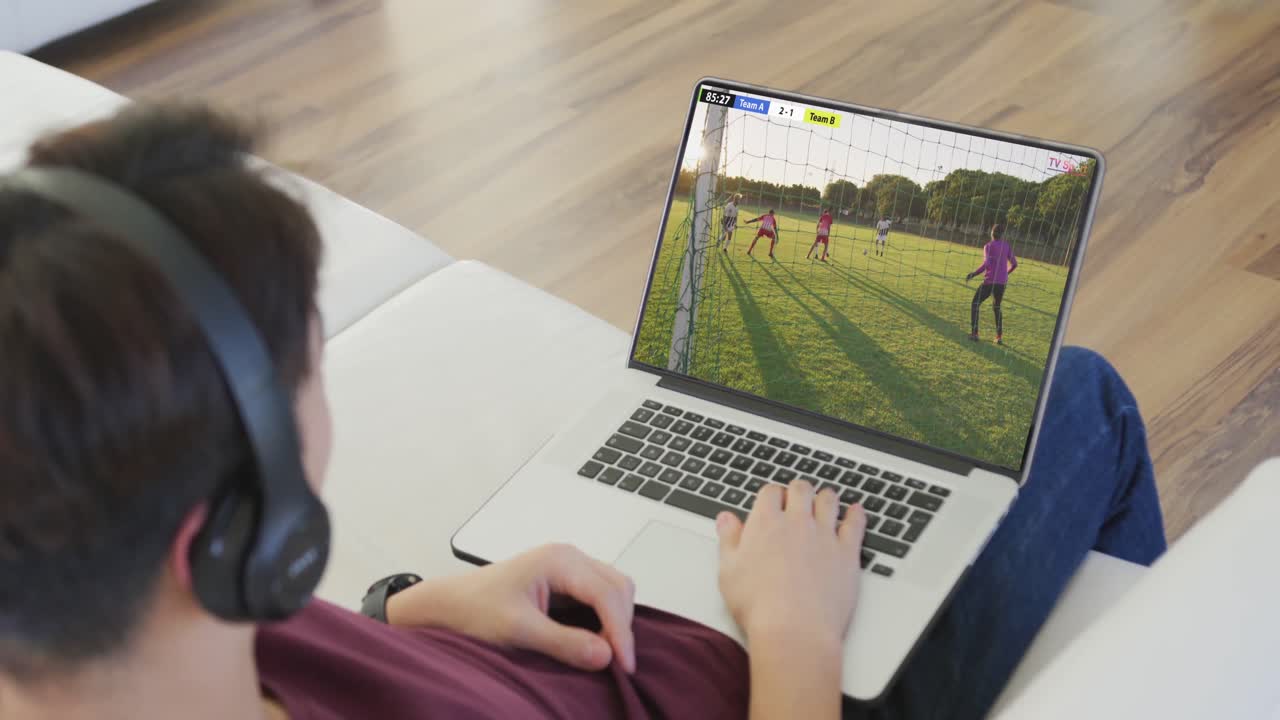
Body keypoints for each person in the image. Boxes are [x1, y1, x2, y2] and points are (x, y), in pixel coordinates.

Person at [0, 105, 1166, 720]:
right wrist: (798, 635)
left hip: (611, 630)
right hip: (787, 673)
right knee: (1086, 401)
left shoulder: (119, 623)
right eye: (306, 370)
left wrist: (413, 611)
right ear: (234, 538)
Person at [966, 223, 1018, 344]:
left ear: (991, 233)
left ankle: (975, 334)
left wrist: (973, 274)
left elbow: (987, 264)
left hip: (989, 282)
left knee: (975, 303)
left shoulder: (988, 246)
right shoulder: (1007, 246)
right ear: (1002, 235)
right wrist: (1005, 273)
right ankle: (999, 337)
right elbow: (1014, 264)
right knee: (997, 307)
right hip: (1001, 283)